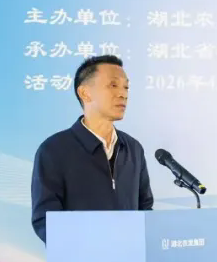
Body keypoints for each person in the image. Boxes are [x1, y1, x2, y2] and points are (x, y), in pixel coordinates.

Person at [30, 55, 154, 243]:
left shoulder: (133, 148)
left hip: (130, 258)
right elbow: (45, 220)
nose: (123, 94)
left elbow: (145, 209)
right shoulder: (53, 150)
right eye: (113, 85)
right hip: (80, 259)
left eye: (126, 87)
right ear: (85, 93)